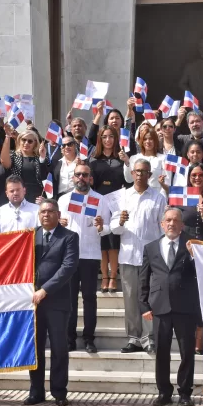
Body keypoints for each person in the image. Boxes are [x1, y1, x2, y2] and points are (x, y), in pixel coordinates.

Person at [139, 207, 199, 406]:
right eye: (168, 220)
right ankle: (164, 391)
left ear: (182, 225)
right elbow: (144, 278)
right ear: (162, 224)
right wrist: (144, 305)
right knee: (162, 352)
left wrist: (194, 256)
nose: (172, 223)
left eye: (176, 220)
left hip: (185, 306)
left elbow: (201, 272)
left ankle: (185, 392)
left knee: (187, 351)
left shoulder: (192, 244)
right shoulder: (151, 247)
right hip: (160, 306)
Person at [25, 198, 79, 406]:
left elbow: (68, 267)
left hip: (57, 302)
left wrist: (45, 290)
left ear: (58, 214)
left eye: (49, 211)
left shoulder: (70, 237)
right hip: (33, 302)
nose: (46, 215)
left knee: (59, 348)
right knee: (35, 349)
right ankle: (36, 391)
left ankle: (59, 392)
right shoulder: (30, 235)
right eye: (42, 212)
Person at [110, 159, 166, 355]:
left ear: (150, 175)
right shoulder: (122, 196)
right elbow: (114, 229)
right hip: (128, 255)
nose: (140, 174)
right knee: (130, 298)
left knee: (149, 298)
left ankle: (149, 337)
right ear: (132, 173)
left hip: (150, 258)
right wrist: (120, 222)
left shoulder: (158, 197)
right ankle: (133, 338)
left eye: (144, 171)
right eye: (137, 171)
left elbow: (163, 227)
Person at [58, 162, 110, 353]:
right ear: (73, 177)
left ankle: (89, 338)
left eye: (85, 175)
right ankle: (69, 338)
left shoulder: (100, 200)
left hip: (90, 254)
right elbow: (55, 228)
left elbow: (107, 229)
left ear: (91, 179)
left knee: (89, 298)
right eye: (78, 174)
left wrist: (101, 226)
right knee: (70, 299)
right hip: (69, 256)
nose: (81, 178)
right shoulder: (64, 200)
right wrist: (59, 223)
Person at [90, 126, 125, 293]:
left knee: (113, 242)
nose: (108, 140)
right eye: (104, 137)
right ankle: (104, 277)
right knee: (102, 242)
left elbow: (128, 182)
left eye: (111, 136)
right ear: (100, 139)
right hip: (99, 203)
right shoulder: (93, 160)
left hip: (116, 204)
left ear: (115, 138)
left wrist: (126, 162)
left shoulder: (121, 159)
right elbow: (91, 184)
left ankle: (113, 277)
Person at [0, 127, 48, 203]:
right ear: (19, 141)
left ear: (35, 143)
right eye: (24, 140)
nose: (26, 143)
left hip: (36, 198)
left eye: (30, 141)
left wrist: (42, 158)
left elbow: (45, 178)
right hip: (18, 196)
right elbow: (4, 162)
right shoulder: (14, 156)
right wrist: (8, 137)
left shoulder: (40, 158)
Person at [121, 124, 165, 193]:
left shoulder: (163, 158)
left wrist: (160, 198)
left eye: (151, 139)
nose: (148, 141)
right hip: (138, 196)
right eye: (145, 139)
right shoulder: (134, 158)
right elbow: (129, 179)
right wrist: (126, 162)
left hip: (156, 196)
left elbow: (166, 183)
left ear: (155, 141)